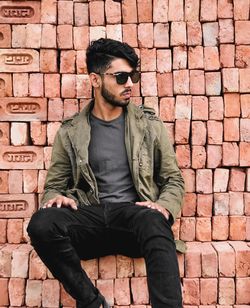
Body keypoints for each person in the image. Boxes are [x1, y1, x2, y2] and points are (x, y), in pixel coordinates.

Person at [27, 38, 185, 308]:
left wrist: (163, 207)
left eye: (133, 76)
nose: (130, 85)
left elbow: (173, 179)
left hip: (134, 219)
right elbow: (54, 185)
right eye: (121, 77)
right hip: (91, 218)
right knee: (41, 224)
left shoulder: (149, 125)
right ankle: (92, 302)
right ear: (95, 80)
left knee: (156, 221)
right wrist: (56, 198)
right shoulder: (71, 132)